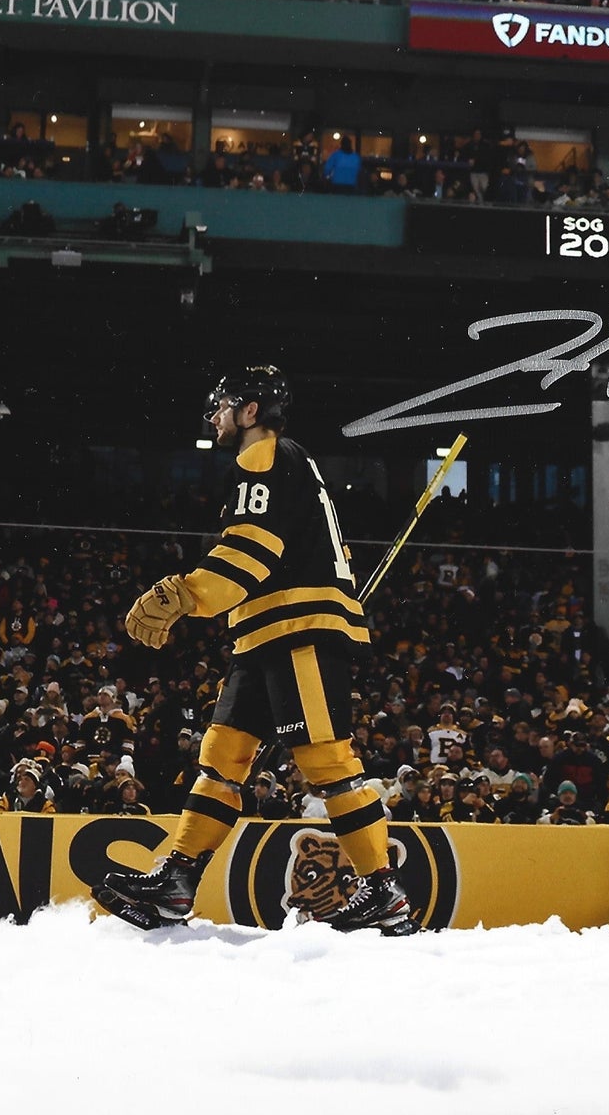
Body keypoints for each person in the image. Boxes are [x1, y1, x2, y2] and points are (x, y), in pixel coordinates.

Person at [94, 366, 413, 933]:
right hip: (265, 635)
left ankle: (383, 892)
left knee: (326, 761)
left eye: (223, 405)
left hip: (297, 629)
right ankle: (177, 881)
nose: (215, 416)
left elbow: (250, 551)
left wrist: (186, 594)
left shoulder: (262, 456)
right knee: (222, 757)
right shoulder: (288, 461)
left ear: (250, 412)